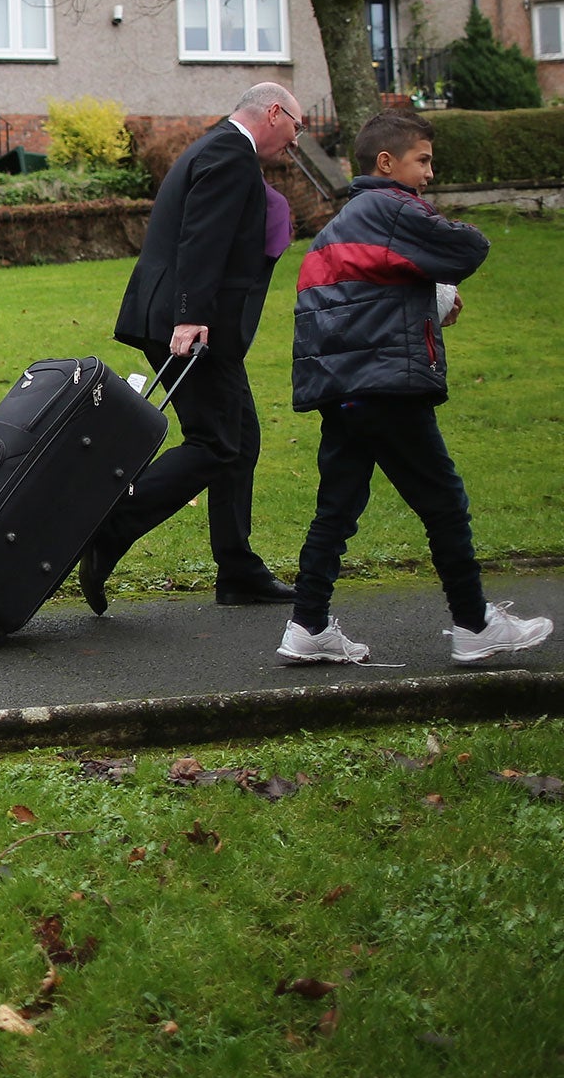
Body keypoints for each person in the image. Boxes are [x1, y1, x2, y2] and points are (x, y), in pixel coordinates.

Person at [278, 109, 552, 666]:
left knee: (338, 505)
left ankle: (306, 623)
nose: (429, 173)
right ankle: (474, 624)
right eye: (422, 160)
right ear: (387, 162)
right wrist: (438, 286)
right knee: (444, 501)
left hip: (344, 389)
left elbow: (357, 297)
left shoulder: (342, 222)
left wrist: (427, 295)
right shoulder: (391, 206)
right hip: (385, 387)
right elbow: (467, 247)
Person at [78, 83, 301, 615]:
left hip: (187, 322)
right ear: (273, 112)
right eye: (296, 125)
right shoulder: (230, 153)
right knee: (217, 443)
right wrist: (192, 316)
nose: (295, 140)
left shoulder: (216, 146)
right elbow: (202, 239)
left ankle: (238, 569)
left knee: (240, 439)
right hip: (189, 325)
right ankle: (109, 529)